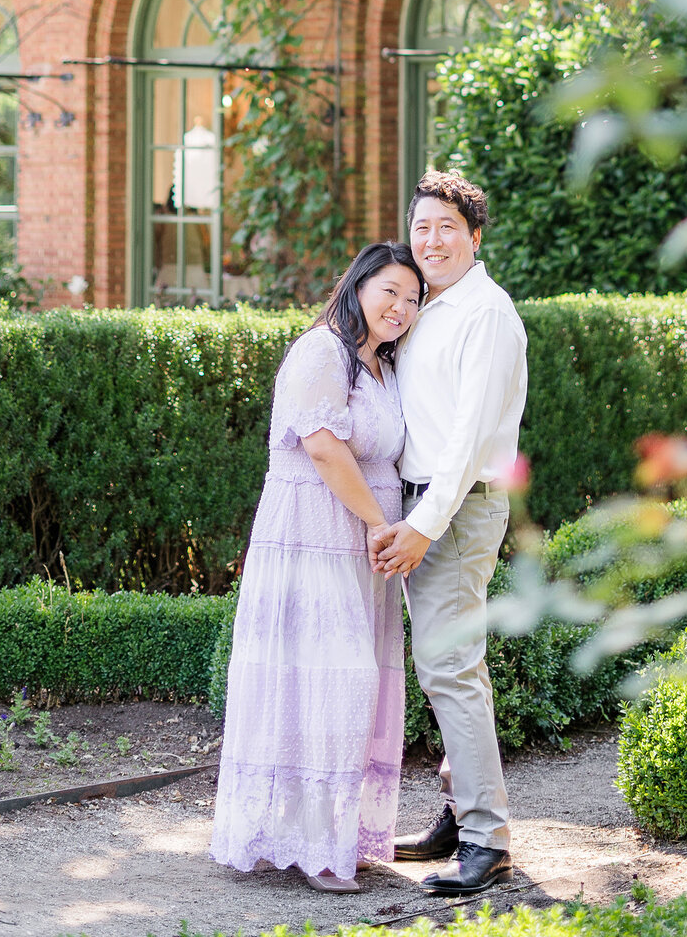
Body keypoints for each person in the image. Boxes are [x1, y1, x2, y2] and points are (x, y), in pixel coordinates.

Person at [211, 241, 424, 893]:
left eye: (413, 300)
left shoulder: (381, 366)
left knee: (357, 687)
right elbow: (325, 449)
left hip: (362, 550)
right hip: (316, 536)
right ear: (358, 284)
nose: (401, 308)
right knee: (330, 685)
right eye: (390, 290)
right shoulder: (321, 351)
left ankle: (336, 836)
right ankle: (311, 845)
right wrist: (377, 524)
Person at [371, 169, 528, 898]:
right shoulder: (431, 304)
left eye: (445, 227)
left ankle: (486, 839)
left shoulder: (486, 313)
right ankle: (456, 814)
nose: (429, 239)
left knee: (453, 670)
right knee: (444, 669)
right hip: (422, 503)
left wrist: (425, 526)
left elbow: (466, 442)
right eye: (421, 226)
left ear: (474, 235)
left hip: (455, 510)